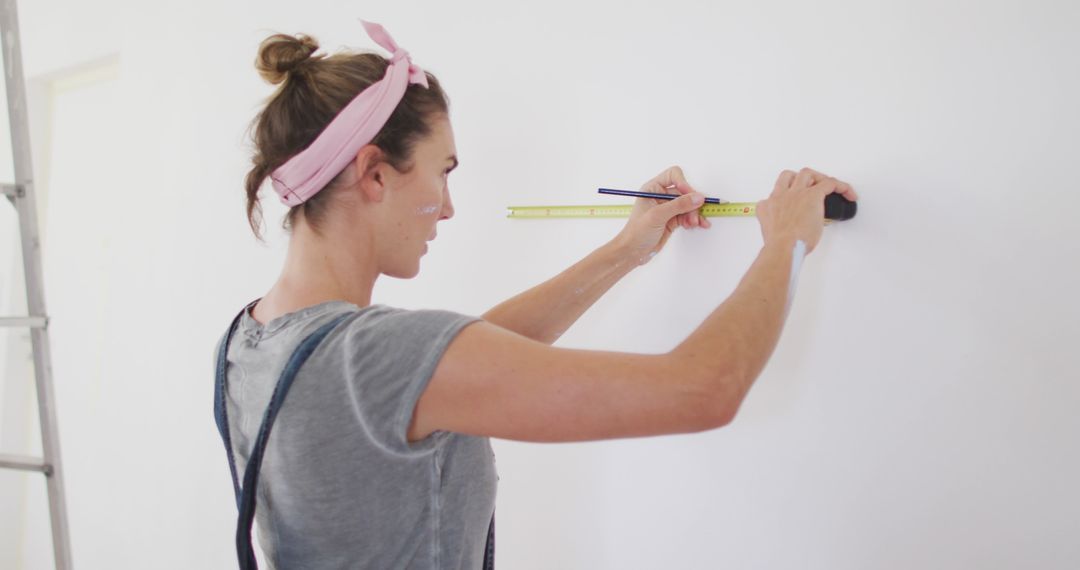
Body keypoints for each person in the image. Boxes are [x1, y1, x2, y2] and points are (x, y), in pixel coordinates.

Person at [214, 20, 858, 570]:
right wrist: (785, 242)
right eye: (444, 172)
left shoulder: (247, 342)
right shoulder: (376, 355)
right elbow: (703, 389)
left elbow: (451, 369)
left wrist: (629, 248)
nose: (448, 209)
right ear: (375, 174)